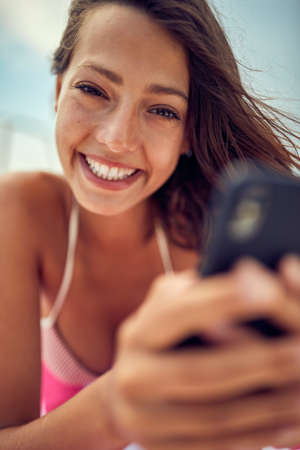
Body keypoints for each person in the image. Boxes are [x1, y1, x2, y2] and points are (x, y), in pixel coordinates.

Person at [0, 0, 300, 449]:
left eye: (162, 111)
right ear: (59, 90)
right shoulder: (21, 209)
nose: (117, 137)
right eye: (94, 89)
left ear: (187, 136)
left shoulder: (215, 244)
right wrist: (112, 412)